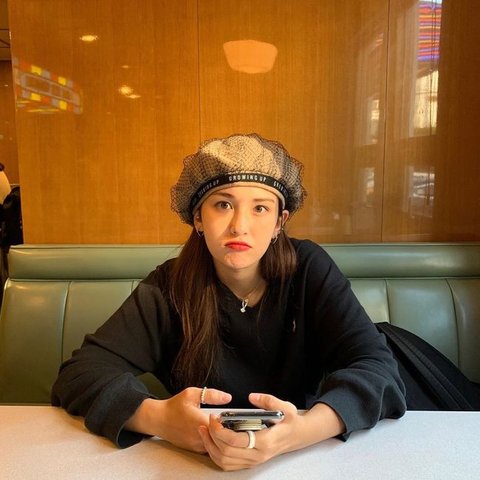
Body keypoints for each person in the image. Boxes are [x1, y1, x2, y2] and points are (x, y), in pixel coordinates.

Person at [52, 133, 406, 471]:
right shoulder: (168, 285)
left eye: (260, 208)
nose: (240, 226)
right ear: (198, 218)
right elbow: (81, 373)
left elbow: (377, 367)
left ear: (279, 222)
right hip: (189, 464)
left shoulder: (309, 269)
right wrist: (158, 418)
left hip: (304, 461)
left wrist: (299, 433)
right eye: (223, 205)